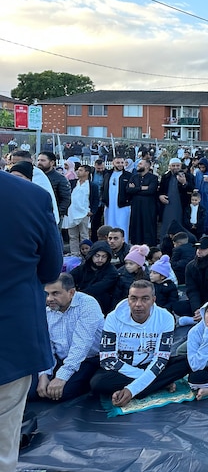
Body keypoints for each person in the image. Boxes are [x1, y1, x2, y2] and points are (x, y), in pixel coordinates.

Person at [0, 169, 63, 471]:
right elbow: (51, 270)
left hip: (10, 346)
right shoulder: (31, 196)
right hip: (10, 344)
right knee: (3, 449)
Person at [90, 280, 191, 407]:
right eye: (134, 298)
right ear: (128, 299)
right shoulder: (113, 317)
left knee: (188, 361)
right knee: (97, 383)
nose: (138, 304)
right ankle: (159, 383)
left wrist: (131, 390)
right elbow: (108, 358)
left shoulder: (165, 317)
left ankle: (145, 387)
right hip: (123, 369)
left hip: (151, 364)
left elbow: (160, 359)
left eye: (145, 299)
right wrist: (144, 377)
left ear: (153, 300)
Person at [31, 274, 104, 403]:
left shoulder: (88, 304)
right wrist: (44, 374)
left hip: (88, 359)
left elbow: (81, 345)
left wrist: (61, 377)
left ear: (71, 292)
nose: (49, 299)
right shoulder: (47, 310)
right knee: (31, 391)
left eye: (55, 293)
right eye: (47, 294)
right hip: (61, 358)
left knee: (61, 393)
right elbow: (46, 345)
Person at [69, 240, 120, 315]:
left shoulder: (112, 272)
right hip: (78, 304)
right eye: (97, 256)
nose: (100, 259)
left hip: (101, 307)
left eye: (104, 256)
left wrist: (77, 295)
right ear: (91, 255)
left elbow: (98, 288)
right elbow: (69, 279)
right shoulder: (83, 268)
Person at [126, 158, 160, 246]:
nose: (138, 165)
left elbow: (151, 190)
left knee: (148, 226)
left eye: (140, 164)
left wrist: (135, 189)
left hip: (148, 207)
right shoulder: (134, 177)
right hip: (136, 206)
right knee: (136, 225)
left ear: (147, 166)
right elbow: (128, 190)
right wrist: (141, 188)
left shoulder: (153, 178)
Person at [158, 158, 192, 239]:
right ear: (169, 166)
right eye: (173, 166)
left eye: (177, 165)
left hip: (181, 206)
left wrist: (184, 183)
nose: (175, 167)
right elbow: (160, 191)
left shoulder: (188, 176)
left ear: (181, 166)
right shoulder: (165, 177)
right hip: (167, 206)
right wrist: (160, 196)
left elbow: (191, 189)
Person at [37, 151, 72, 222]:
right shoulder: (36, 177)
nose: (39, 163)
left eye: (43, 160)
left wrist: (55, 213)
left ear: (52, 162)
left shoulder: (60, 179)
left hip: (52, 217)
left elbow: (66, 200)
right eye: (38, 160)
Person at [102, 156, 132, 235]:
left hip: (123, 206)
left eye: (122, 163)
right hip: (109, 206)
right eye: (118, 163)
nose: (120, 165)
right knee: (109, 226)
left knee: (122, 226)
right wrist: (104, 199)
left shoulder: (129, 176)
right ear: (113, 163)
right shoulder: (107, 174)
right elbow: (103, 188)